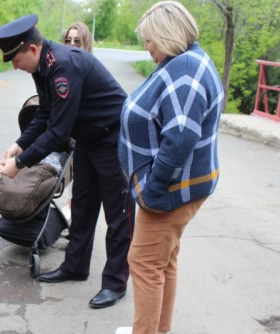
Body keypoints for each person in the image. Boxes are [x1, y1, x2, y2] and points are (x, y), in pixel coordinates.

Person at [0, 15, 135, 309]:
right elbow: (44, 113)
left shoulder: (62, 66)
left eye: (15, 60)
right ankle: (75, 266)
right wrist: (20, 144)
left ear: (31, 49)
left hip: (113, 139)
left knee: (118, 215)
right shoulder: (42, 66)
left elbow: (58, 131)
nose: (15, 67)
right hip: (88, 141)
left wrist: (21, 164)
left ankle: (115, 283)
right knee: (81, 206)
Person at [115, 2, 224, 333]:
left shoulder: (185, 72)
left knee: (145, 264)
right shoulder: (181, 61)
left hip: (170, 193)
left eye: (149, 38)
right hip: (179, 188)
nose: (146, 45)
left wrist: (152, 189)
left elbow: (179, 141)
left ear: (166, 35)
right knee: (163, 262)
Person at [60, 21, 93, 220]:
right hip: (70, 132)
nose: (72, 44)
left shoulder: (90, 68)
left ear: (85, 43)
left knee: (81, 180)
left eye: (77, 41)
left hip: (87, 135)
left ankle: (74, 209)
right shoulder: (61, 68)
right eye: (68, 40)